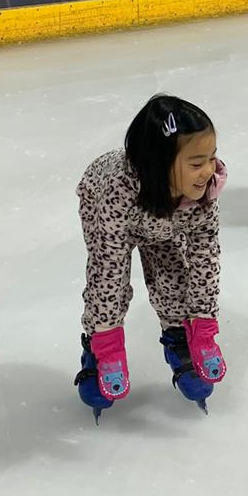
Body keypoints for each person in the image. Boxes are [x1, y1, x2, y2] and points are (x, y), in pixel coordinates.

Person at [75, 95, 226, 419]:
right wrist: (108, 342)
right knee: (110, 279)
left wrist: (203, 325)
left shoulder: (203, 193)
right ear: (160, 164)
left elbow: (205, 258)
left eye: (211, 158)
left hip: (165, 217)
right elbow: (108, 272)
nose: (208, 171)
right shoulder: (118, 192)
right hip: (113, 211)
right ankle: (97, 346)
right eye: (197, 163)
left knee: (172, 272)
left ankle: (177, 334)